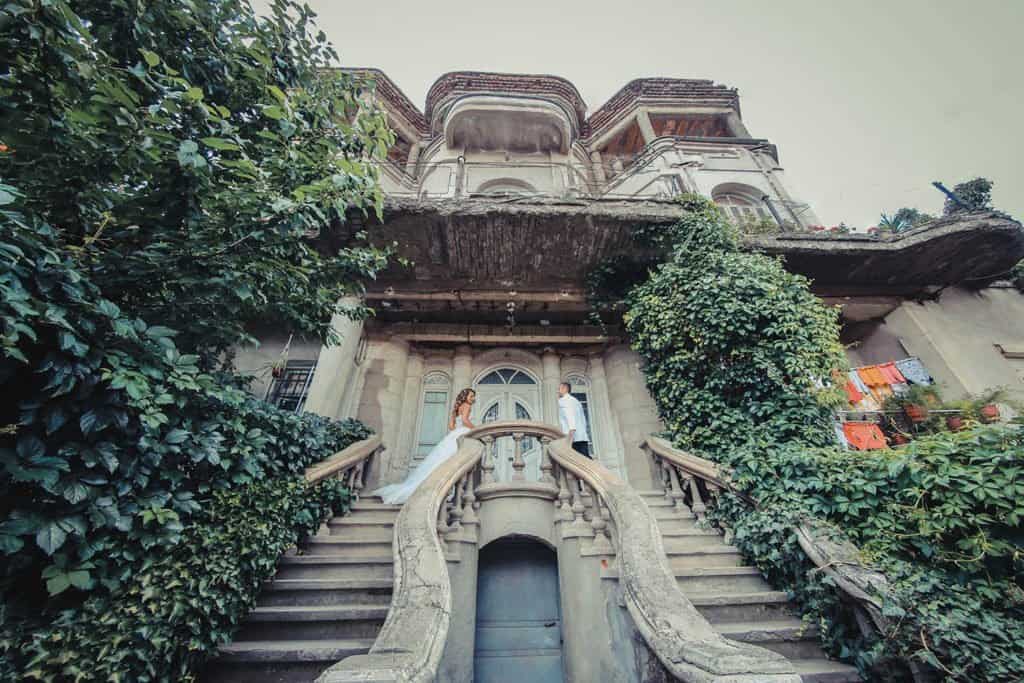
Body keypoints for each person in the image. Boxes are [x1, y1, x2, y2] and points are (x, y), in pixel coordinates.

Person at [371, 388, 477, 505]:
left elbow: (451, 427)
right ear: (466, 396)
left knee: (441, 462)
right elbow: (465, 420)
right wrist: (475, 429)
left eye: (473, 396)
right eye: (471, 396)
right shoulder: (467, 406)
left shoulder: (457, 408)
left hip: (453, 435)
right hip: (462, 434)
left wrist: (459, 429)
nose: (473, 399)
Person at [557, 381, 591, 458]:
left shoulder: (564, 401)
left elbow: (570, 417)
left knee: (580, 462)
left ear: (565, 389)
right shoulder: (576, 401)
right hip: (581, 436)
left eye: (559, 389)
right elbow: (583, 420)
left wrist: (569, 439)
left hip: (573, 438)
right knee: (585, 460)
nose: (558, 391)